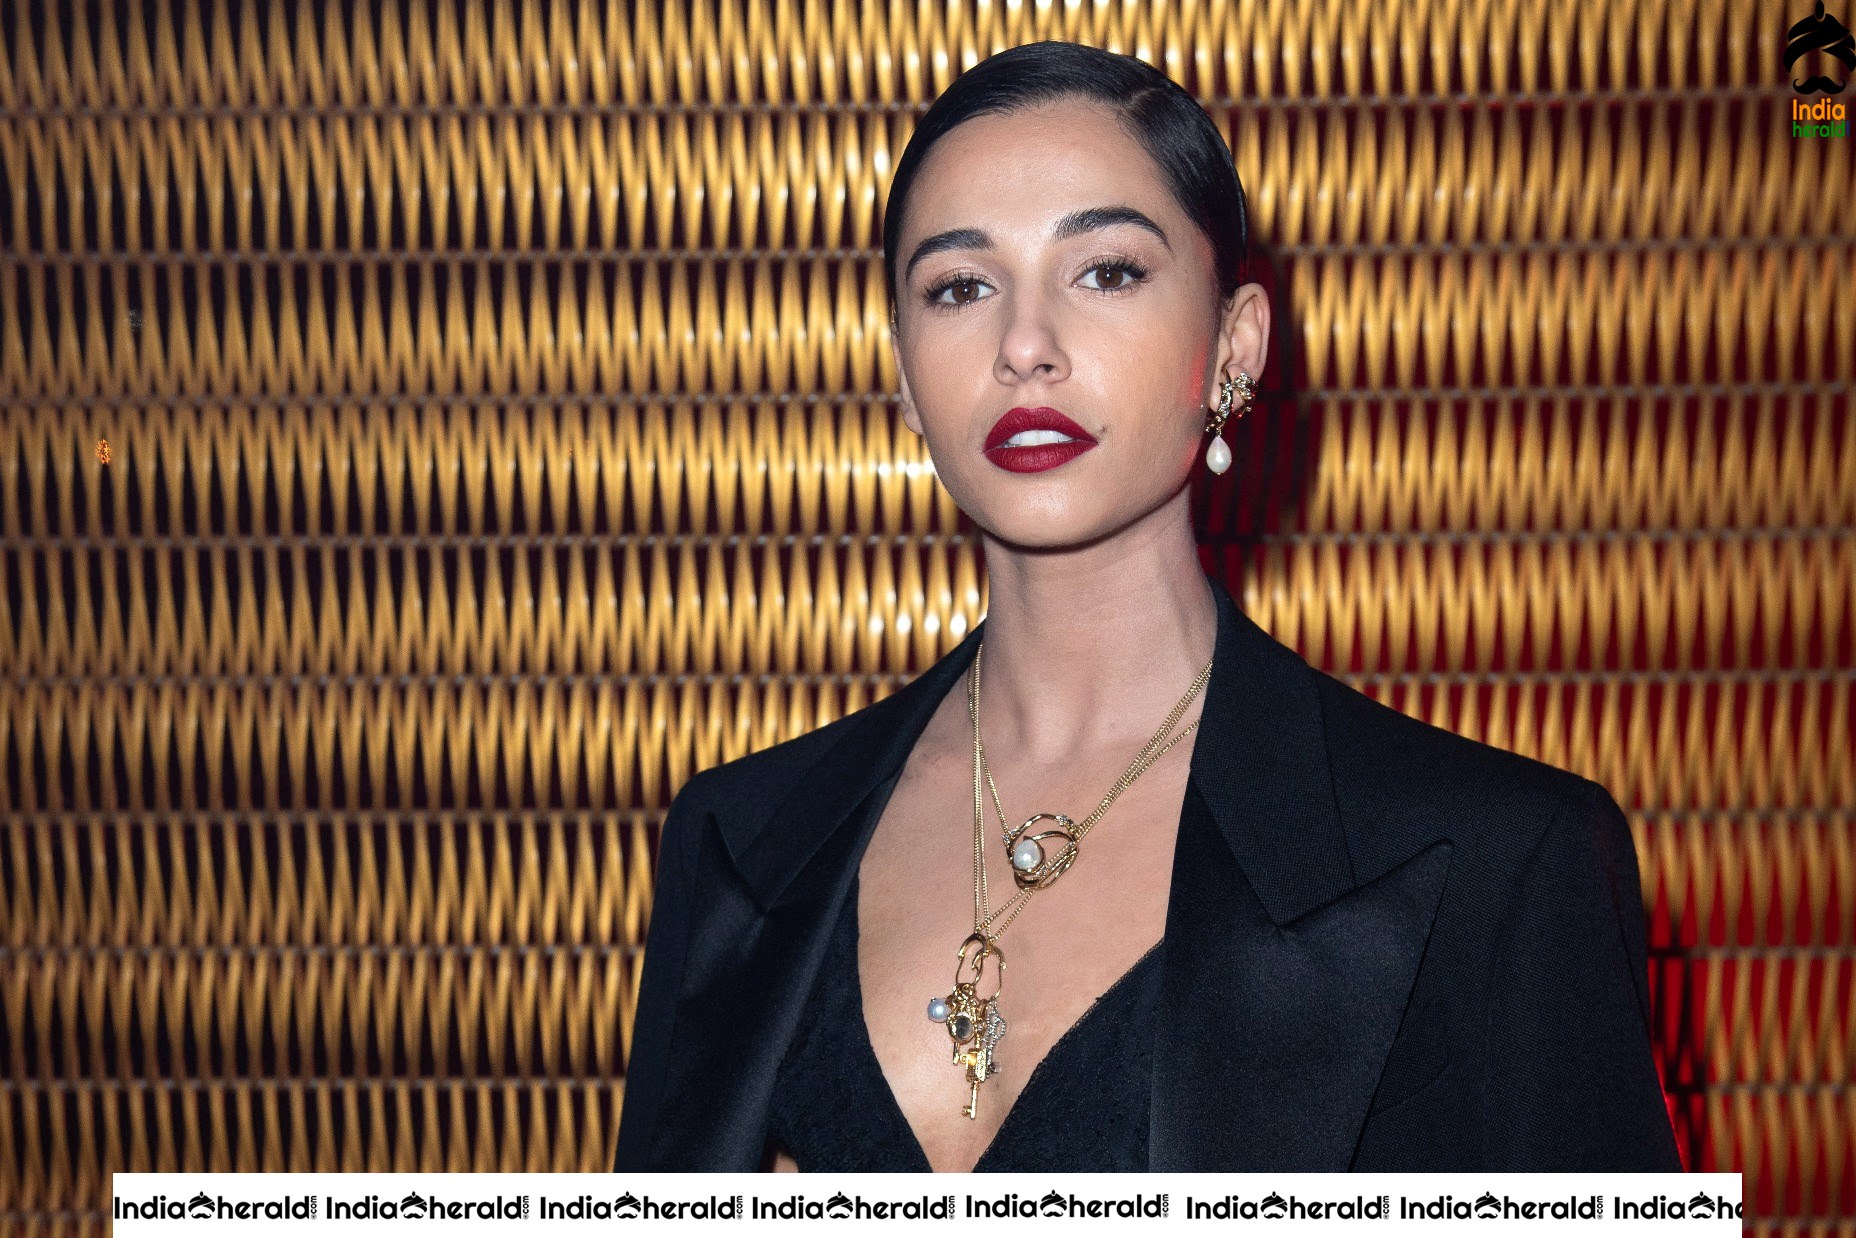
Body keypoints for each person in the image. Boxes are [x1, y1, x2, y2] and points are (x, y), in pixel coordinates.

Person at [613, 40, 1684, 1174]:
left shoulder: (1502, 862)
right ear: (903, 378)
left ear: (1233, 348)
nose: (1024, 345)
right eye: (959, 287)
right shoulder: (735, 838)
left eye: (1106, 270)